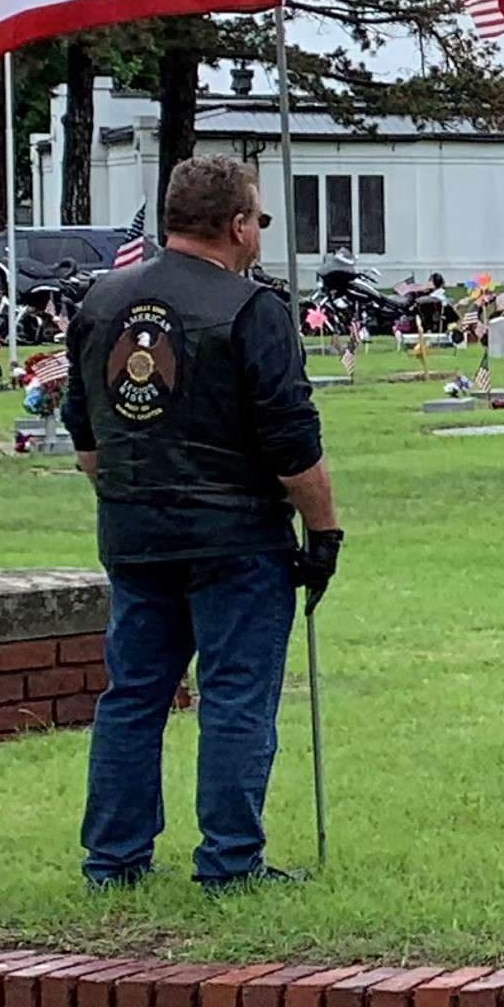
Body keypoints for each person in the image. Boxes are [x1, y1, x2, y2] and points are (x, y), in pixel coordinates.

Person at [60, 155, 342, 892]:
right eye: (258, 220)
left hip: (133, 532)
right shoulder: (252, 310)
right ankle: (229, 864)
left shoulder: (100, 302)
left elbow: (84, 432)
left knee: (131, 697)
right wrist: (324, 533)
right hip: (236, 538)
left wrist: (128, 496)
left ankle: (113, 862)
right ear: (238, 224)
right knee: (235, 696)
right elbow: (291, 441)